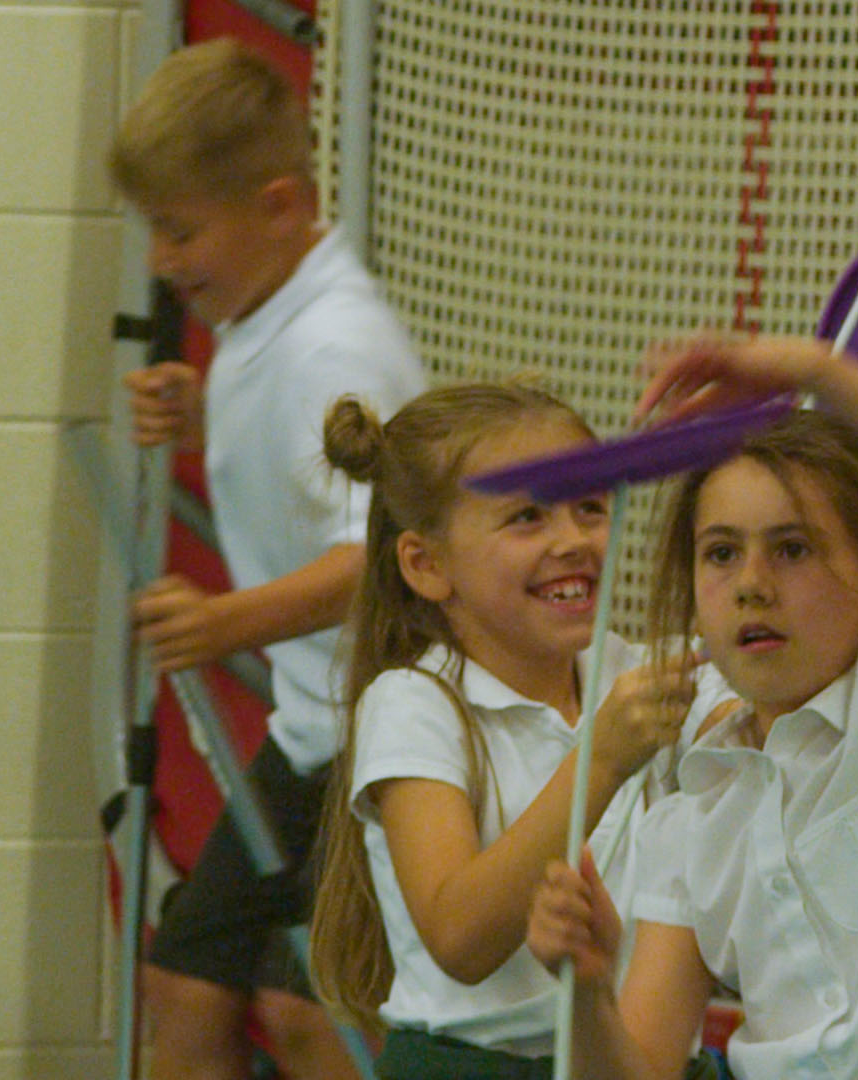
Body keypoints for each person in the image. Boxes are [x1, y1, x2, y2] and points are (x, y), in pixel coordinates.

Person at [525, 333, 858, 1079]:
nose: (751, 584)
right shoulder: (689, 814)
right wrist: (582, 993)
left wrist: (817, 372)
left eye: (792, 548)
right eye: (720, 552)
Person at [110, 38, 428, 1080]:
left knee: (313, 1019)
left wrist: (220, 624)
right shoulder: (265, 317)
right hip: (308, 734)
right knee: (187, 982)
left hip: (379, 740)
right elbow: (308, 463)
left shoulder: (336, 343)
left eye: (180, 231)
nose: (164, 260)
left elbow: (381, 556)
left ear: (281, 207)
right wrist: (208, 413)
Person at [307, 383, 727, 1078]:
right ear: (427, 565)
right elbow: (459, 937)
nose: (573, 540)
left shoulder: (638, 673)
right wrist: (600, 763)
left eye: (590, 507)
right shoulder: (414, 701)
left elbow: (758, 714)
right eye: (527, 517)